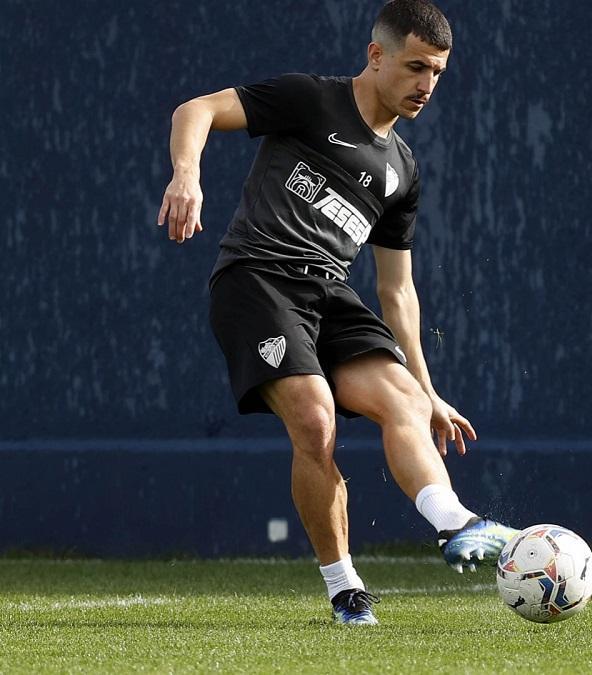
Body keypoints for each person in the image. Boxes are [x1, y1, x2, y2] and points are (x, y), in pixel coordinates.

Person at [157, 0, 517, 626]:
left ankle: (458, 524)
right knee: (317, 422)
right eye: (414, 68)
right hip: (258, 280)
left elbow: (397, 291)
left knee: (402, 399)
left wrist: (431, 392)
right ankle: (345, 587)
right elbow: (198, 109)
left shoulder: (402, 169)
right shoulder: (309, 99)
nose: (426, 86)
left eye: (436, 72)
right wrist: (186, 174)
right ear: (375, 55)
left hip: (330, 294)